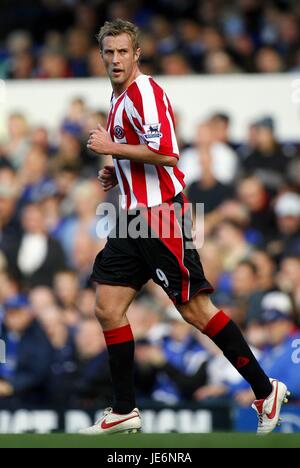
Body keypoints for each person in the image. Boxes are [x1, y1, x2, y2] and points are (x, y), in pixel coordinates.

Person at [80, 19, 289, 435]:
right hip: (132, 216)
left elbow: (168, 154)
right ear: (101, 55)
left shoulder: (145, 92)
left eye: (124, 52)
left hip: (161, 216)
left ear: (136, 54)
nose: (116, 59)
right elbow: (141, 155)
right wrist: (116, 170)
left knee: (195, 310)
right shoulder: (119, 95)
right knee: (107, 308)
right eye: (109, 52)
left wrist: (110, 147)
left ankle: (265, 390)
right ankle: (124, 409)